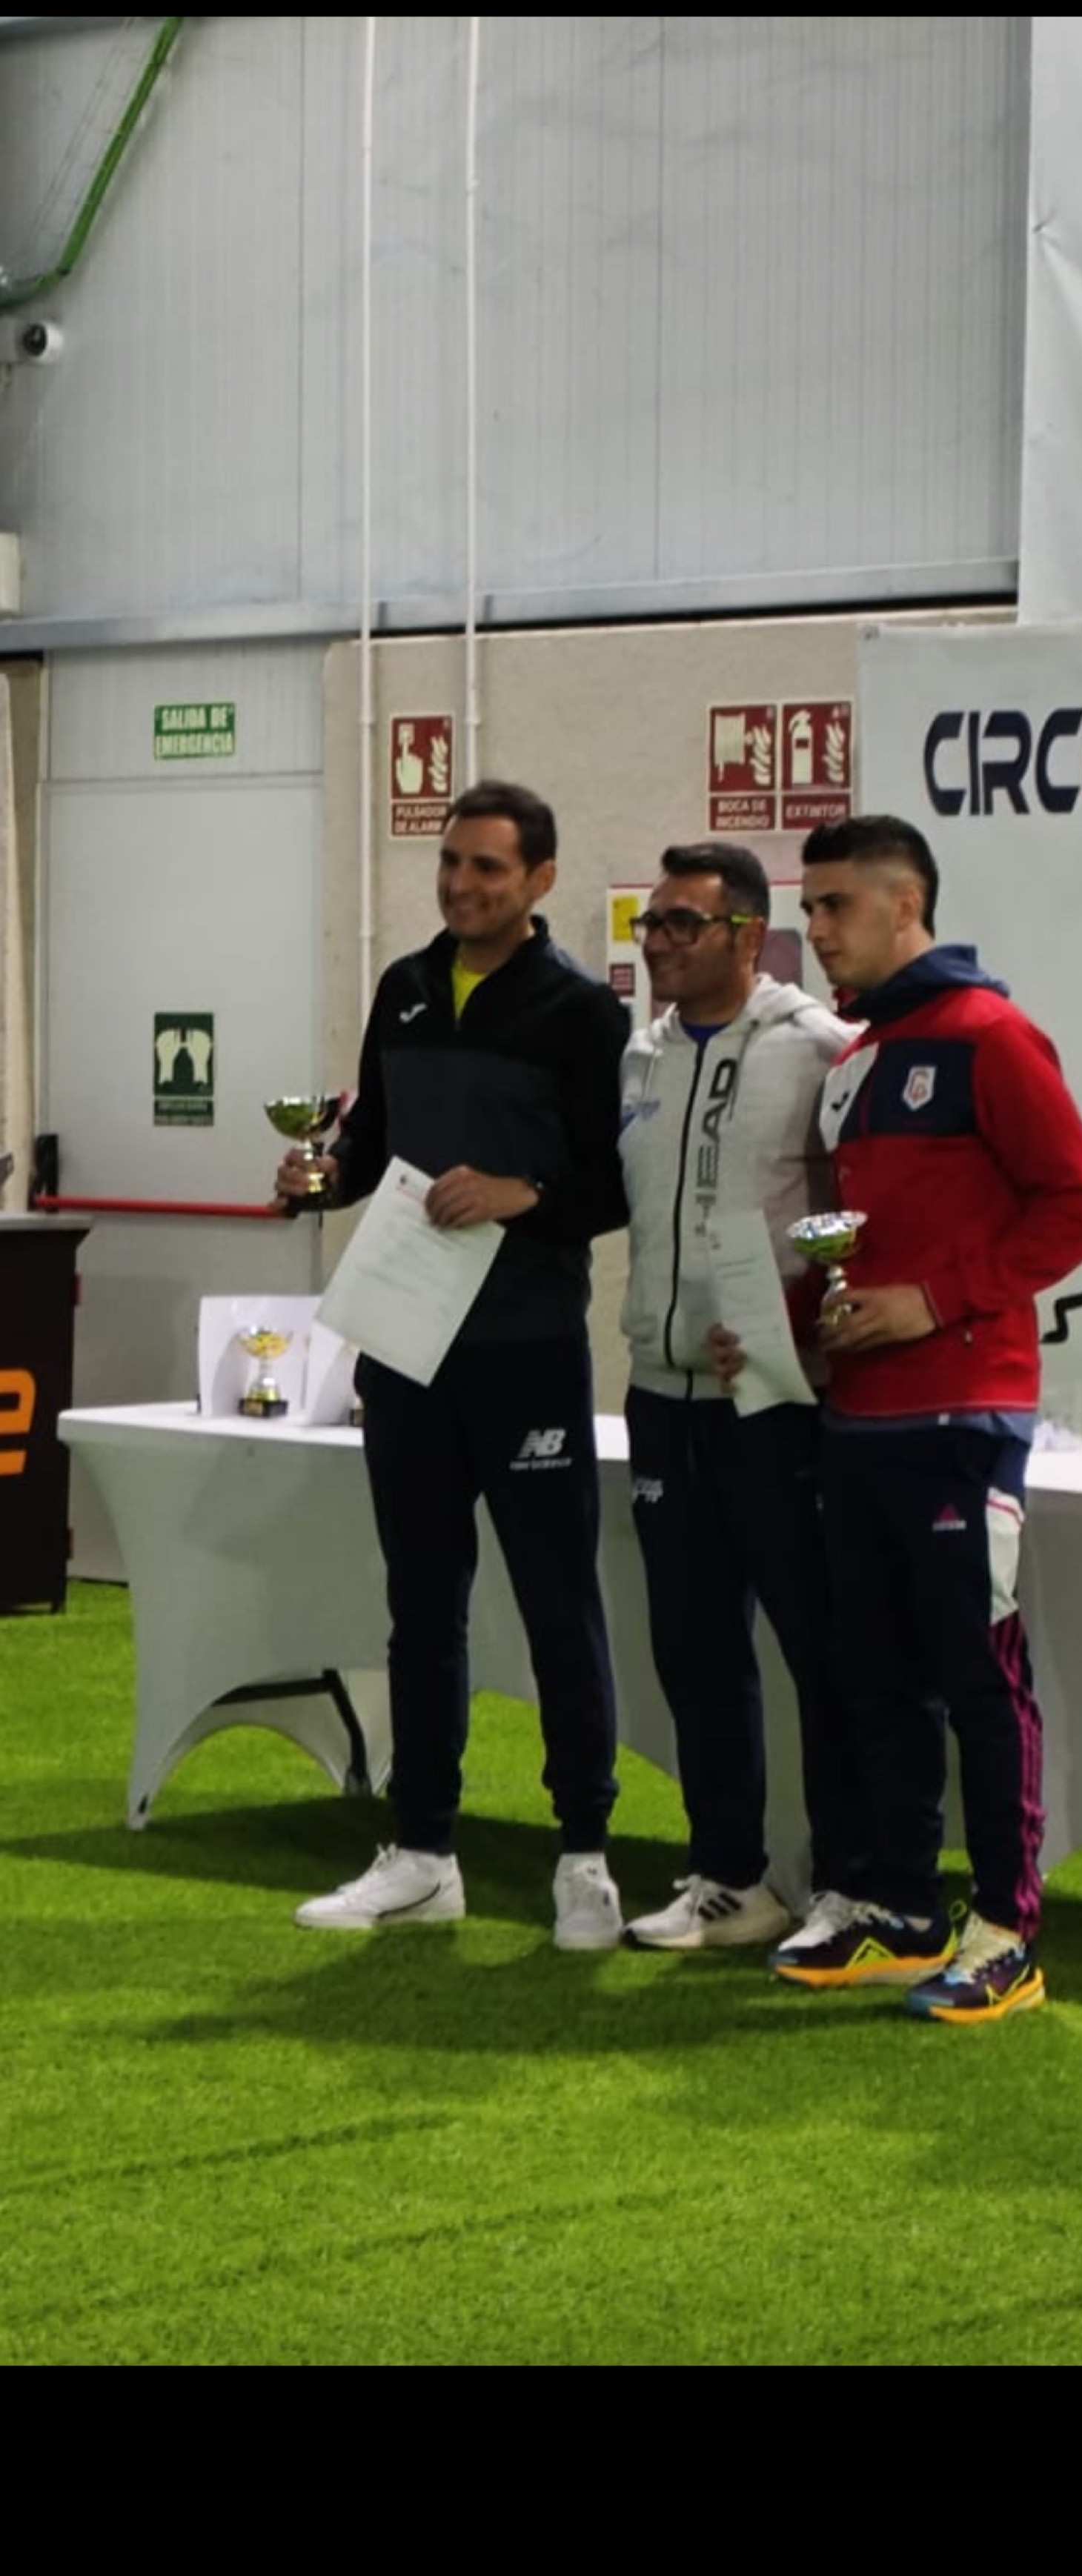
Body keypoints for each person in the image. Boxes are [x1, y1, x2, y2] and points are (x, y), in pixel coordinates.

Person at [759, 812, 1082, 2023]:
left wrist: (930, 1302)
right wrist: (795, 1320)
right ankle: (901, 1908)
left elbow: (1081, 1207)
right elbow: (855, 1245)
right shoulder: (858, 1059)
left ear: (904, 904)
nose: (815, 931)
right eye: (808, 909)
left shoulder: (991, 1036)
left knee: (977, 1679)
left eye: (835, 906)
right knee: (872, 1674)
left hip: (964, 1416)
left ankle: (1009, 1932)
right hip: (857, 1416)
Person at [280, 781, 629, 1951]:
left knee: (557, 1607)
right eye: (451, 863)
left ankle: (584, 1857)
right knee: (421, 1606)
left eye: (488, 867)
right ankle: (424, 1852)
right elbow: (371, 1145)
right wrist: (320, 1178)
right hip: (406, 1351)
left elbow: (613, 1184)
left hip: (526, 1352)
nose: (462, 885)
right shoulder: (405, 989)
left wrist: (523, 1194)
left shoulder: (581, 1011)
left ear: (539, 881)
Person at [618, 840, 869, 1951]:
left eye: (684, 923)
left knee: (820, 1645)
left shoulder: (817, 1047)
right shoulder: (642, 1054)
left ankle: (846, 1883)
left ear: (748, 935)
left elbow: (867, 1210)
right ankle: (730, 1875)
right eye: (653, 924)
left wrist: (806, 1325)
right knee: (694, 1647)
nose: (660, 943)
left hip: (775, 1397)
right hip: (660, 1389)